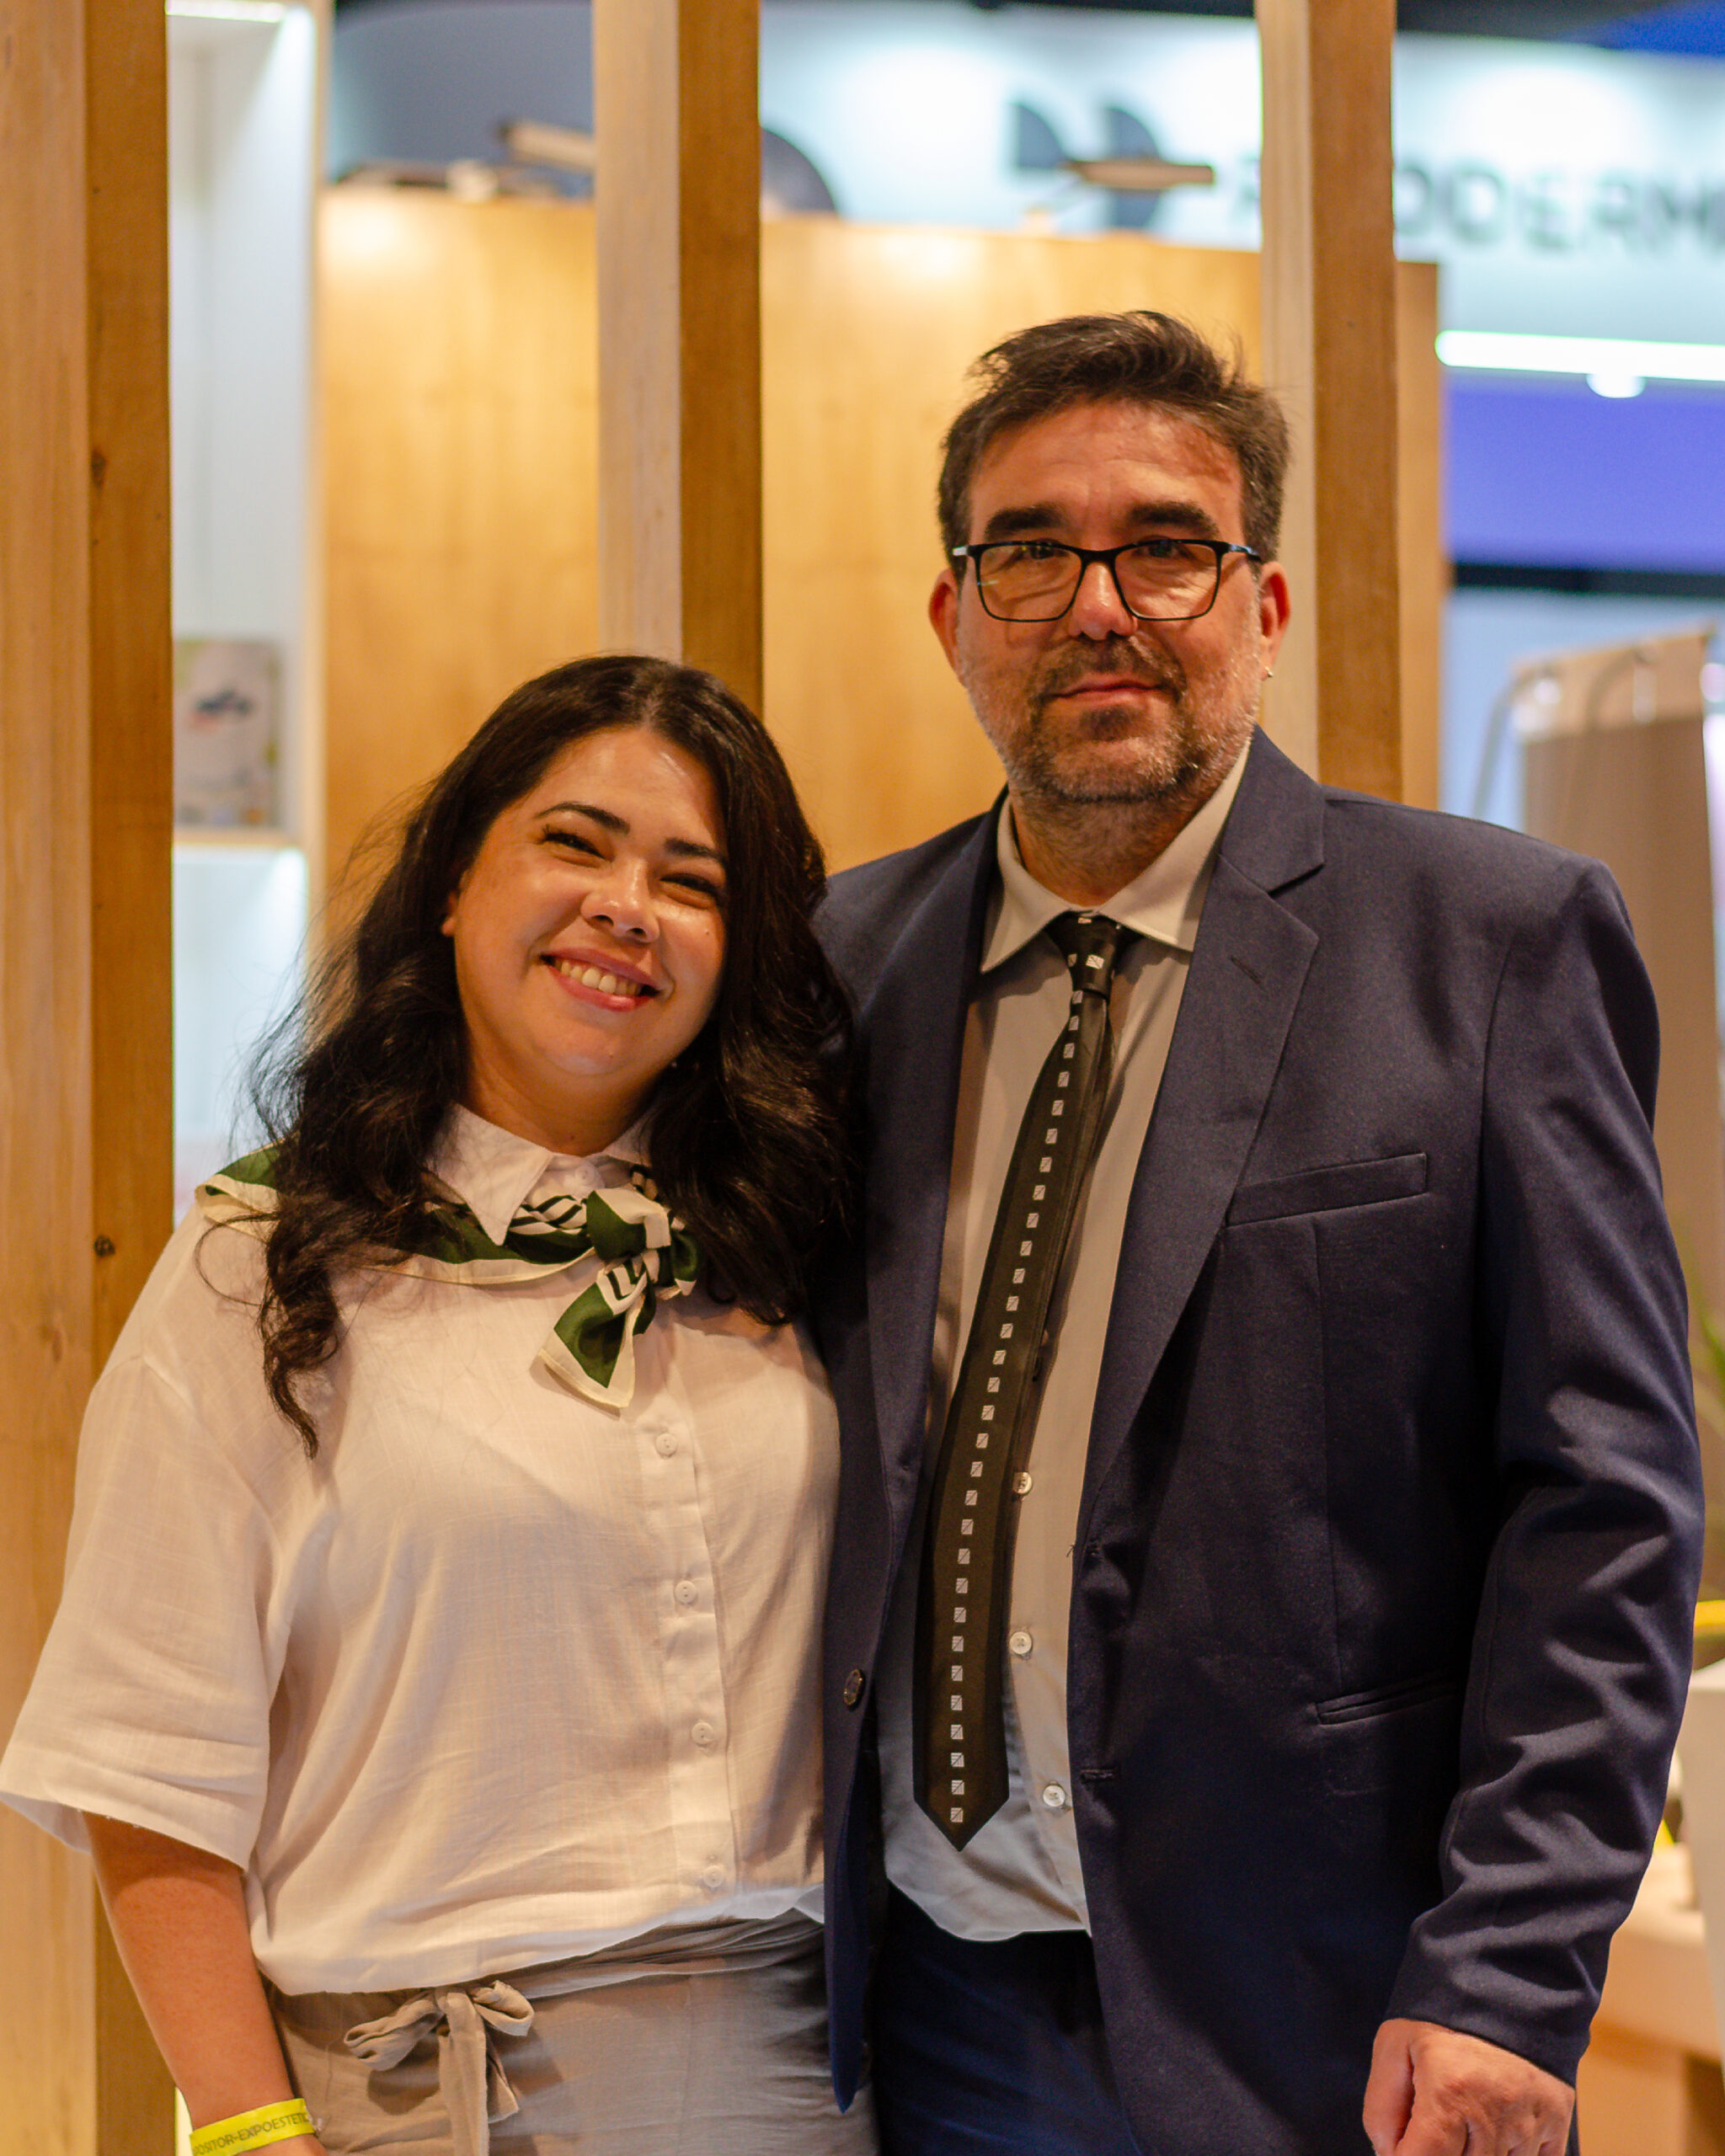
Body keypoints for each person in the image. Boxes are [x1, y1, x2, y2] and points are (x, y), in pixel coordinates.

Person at [813, 312, 1704, 2156]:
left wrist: (1508, 1965)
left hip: (1326, 2013)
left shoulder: (1485, 940)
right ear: (955, 613)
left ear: (1264, 605)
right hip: (928, 2006)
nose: (1099, 607)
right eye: (1032, 553)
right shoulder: (843, 966)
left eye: (1165, 547)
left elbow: (1603, 1503)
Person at [1, 655, 876, 2156]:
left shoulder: (799, 1253)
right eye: (575, 843)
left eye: (693, 881)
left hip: (805, 2092)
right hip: (424, 2102)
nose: (626, 907)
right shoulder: (263, 1266)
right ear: (456, 883)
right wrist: (251, 2133)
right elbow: (149, 1772)